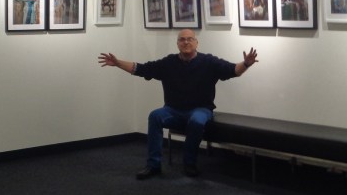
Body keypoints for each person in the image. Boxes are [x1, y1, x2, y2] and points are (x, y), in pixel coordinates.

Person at [98, 29, 258, 179]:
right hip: (172, 110)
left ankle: (189, 164)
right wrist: (118, 63)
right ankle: (153, 165)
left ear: (196, 43)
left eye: (190, 39)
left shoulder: (209, 62)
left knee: (196, 121)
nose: (186, 42)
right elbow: (142, 69)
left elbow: (233, 70)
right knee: (155, 116)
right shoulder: (168, 63)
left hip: (201, 109)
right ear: (177, 44)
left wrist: (246, 64)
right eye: (182, 40)